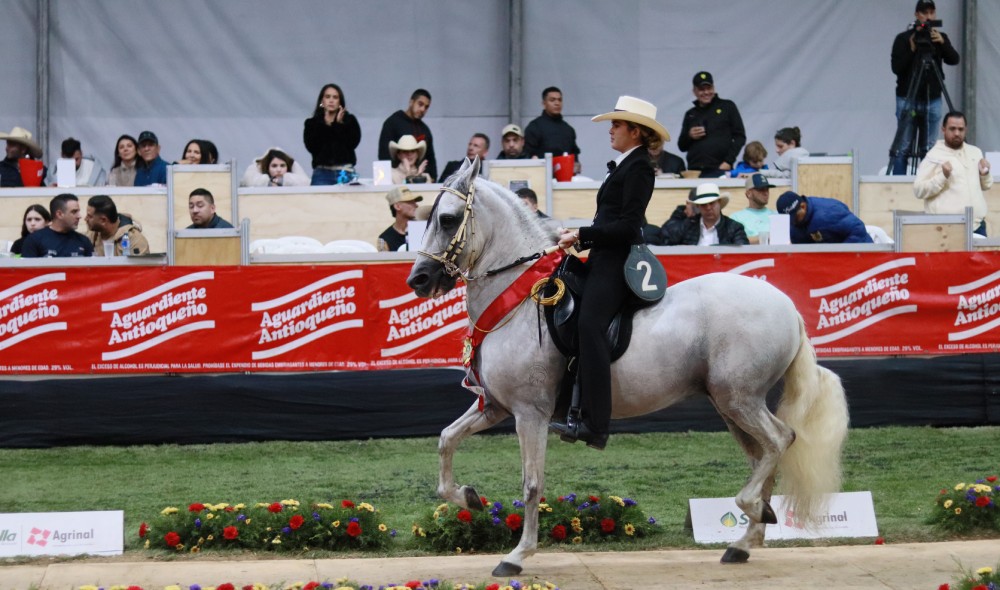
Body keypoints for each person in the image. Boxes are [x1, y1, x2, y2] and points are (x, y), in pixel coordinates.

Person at [548, 95, 669, 451]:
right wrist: (581, 241)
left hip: (617, 262)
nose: (611, 130)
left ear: (635, 130)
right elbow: (609, 222)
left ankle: (595, 424)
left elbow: (628, 227)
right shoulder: (623, 165)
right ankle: (566, 403)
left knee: (589, 325)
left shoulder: (640, 168)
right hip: (601, 256)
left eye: (616, 124)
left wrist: (582, 234)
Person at [890, 0, 960, 176]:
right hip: (907, 97)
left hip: (932, 98)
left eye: (931, 13)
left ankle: (927, 185)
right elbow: (896, 68)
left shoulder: (939, 37)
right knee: (903, 147)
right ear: (916, 15)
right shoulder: (904, 39)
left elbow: (954, 59)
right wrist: (911, 48)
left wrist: (943, 42)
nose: (928, 17)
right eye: (924, 13)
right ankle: (899, 188)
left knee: (929, 149)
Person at [913, 111, 993, 236]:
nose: (957, 133)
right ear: (943, 130)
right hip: (947, 229)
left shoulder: (975, 152)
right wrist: (942, 176)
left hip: (977, 226)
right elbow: (918, 190)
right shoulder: (933, 156)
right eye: (952, 129)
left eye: (961, 129)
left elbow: (986, 185)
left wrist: (984, 174)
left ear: (965, 130)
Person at [677, 71, 746, 178]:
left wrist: (728, 161)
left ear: (713, 88)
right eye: (701, 89)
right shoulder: (690, 114)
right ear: (694, 91)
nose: (706, 92)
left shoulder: (727, 107)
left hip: (720, 169)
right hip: (695, 171)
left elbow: (740, 136)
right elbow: (681, 146)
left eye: (708, 88)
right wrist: (689, 136)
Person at [303, 83, 362, 185]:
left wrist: (338, 125)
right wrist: (325, 125)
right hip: (322, 173)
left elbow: (353, 143)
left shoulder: (350, 121)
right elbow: (312, 147)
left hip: (345, 172)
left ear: (340, 101)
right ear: (322, 101)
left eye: (335, 97)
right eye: (327, 97)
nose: (331, 100)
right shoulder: (312, 123)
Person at [661, 182, 749, 246]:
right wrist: (682, 213)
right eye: (704, 205)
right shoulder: (689, 224)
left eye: (712, 203)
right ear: (698, 207)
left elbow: (742, 254)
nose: (708, 208)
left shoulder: (734, 227)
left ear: (719, 202)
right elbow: (666, 239)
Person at [378, 89, 437, 180]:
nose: (423, 109)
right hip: (396, 179)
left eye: (426, 107)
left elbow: (430, 158)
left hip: (421, 181)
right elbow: (384, 155)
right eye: (420, 104)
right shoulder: (392, 123)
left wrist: (432, 179)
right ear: (411, 102)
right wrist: (386, 180)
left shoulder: (425, 130)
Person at [776, 191, 873, 244]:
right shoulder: (794, 224)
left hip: (862, 256)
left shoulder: (829, 213)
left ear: (803, 207)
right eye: (788, 220)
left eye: (795, 217)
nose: (793, 223)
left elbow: (857, 229)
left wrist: (841, 254)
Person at [524, 87, 581, 174]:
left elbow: (574, 154)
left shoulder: (568, 129)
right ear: (544, 103)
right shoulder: (534, 126)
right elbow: (527, 154)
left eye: (559, 100)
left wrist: (576, 165)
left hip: (566, 178)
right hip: (541, 176)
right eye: (552, 100)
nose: (557, 103)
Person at [20, 194, 93, 257]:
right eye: (74, 212)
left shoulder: (84, 241)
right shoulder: (34, 240)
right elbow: (27, 271)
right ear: (59, 214)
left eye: (78, 212)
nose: (79, 216)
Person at [85, 194, 150, 256]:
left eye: (90, 216)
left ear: (103, 220)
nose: (85, 219)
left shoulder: (134, 240)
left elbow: (139, 267)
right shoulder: (91, 236)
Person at [730, 174, 777, 243]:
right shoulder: (736, 218)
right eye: (761, 189)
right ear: (749, 193)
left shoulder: (777, 215)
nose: (766, 193)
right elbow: (735, 242)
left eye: (767, 189)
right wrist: (766, 238)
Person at [377, 186, 423, 252]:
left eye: (415, 202)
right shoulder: (385, 239)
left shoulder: (423, 230)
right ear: (397, 206)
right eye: (410, 202)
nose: (416, 205)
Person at [240, 148, 310, 187]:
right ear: (267, 167)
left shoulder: (293, 169)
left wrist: (284, 180)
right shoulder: (255, 169)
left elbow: (306, 183)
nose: (279, 170)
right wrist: (268, 183)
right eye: (274, 166)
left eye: (282, 165)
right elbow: (250, 181)